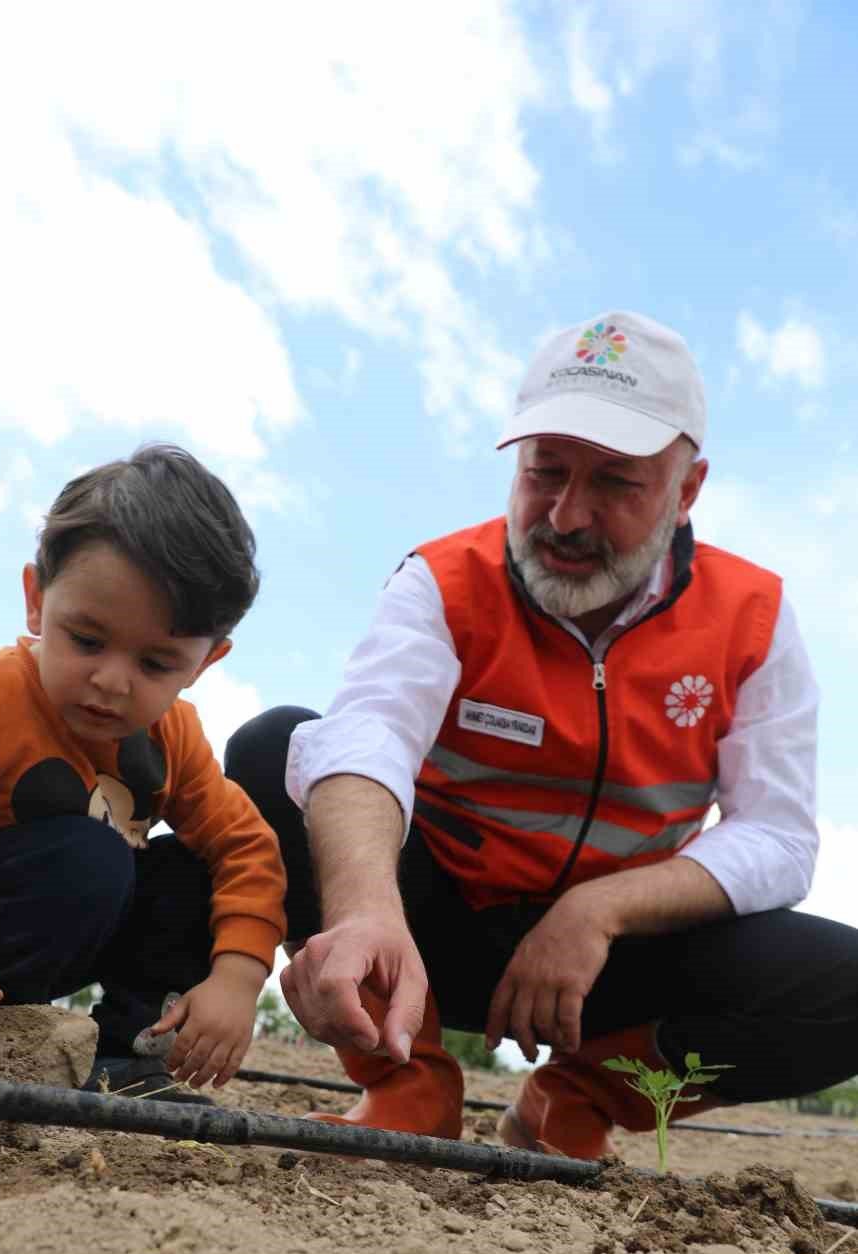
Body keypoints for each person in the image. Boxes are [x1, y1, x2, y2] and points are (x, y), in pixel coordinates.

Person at [226, 310, 858, 1157]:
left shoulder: (753, 618)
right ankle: (405, 1079)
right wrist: (368, 910)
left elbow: (778, 838)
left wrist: (598, 912)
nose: (565, 517)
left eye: (617, 484)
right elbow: (367, 735)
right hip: (429, 935)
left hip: (610, 967)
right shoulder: (444, 581)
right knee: (276, 750)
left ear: (687, 492)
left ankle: (576, 1096)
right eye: (544, 472)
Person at [0, 444, 285, 1100]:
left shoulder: (176, 737)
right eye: (88, 641)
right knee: (88, 854)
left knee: (189, 869)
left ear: (205, 663)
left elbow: (245, 848)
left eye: (156, 664)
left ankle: (128, 1057)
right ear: (37, 601)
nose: (112, 681)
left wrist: (239, 973)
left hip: (88, 915)